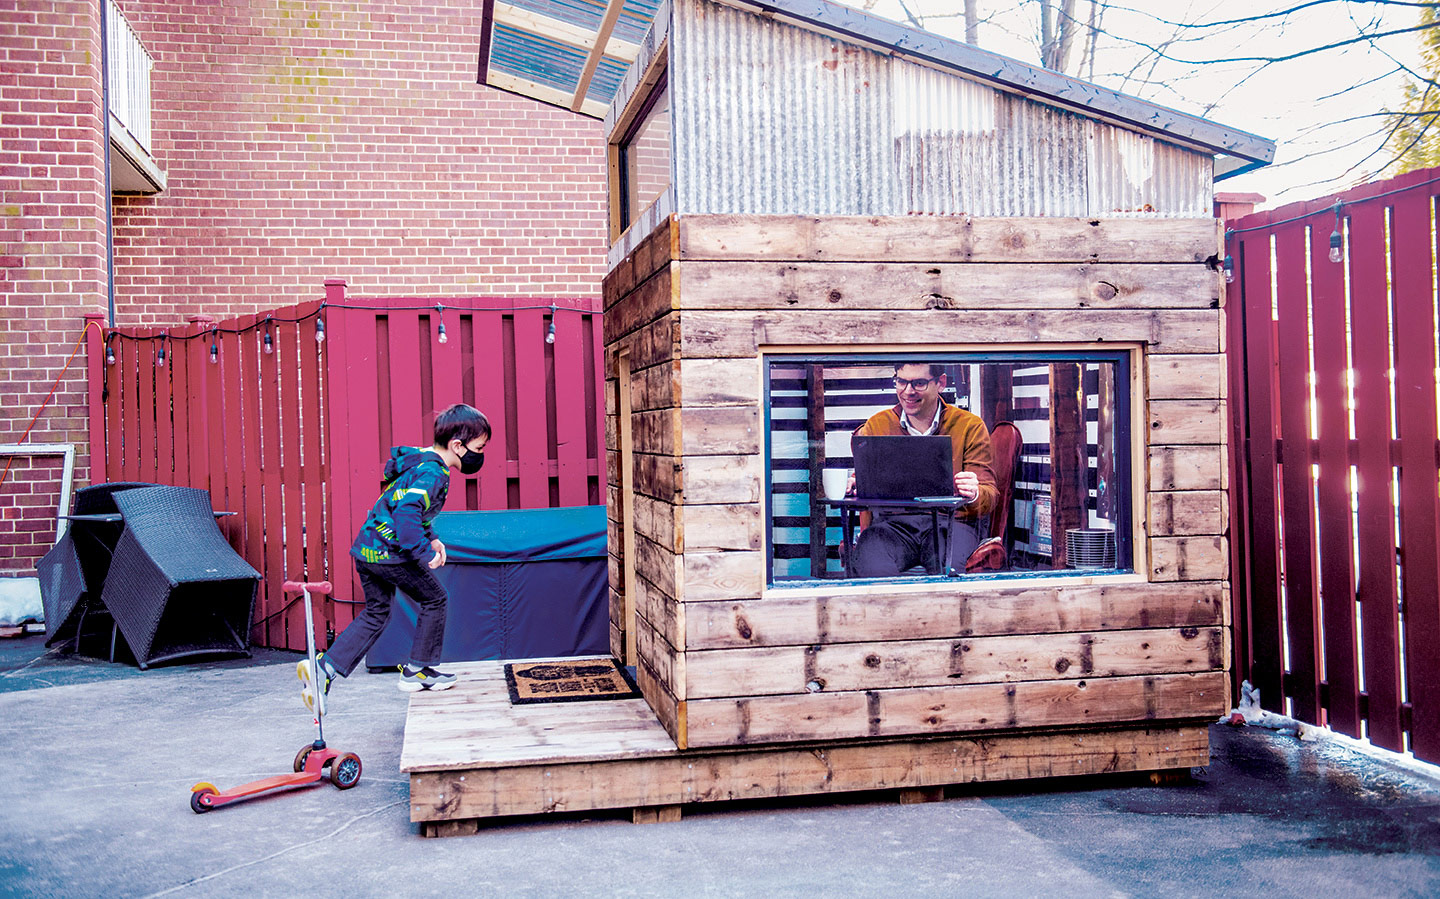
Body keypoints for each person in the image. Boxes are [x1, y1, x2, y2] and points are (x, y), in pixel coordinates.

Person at [298, 403, 490, 711]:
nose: (479, 455)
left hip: (368, 550)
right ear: (458, 445)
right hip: (390, 554)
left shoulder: (421, 464)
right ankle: (419, 669)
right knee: (435, 599)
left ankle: (325, 668)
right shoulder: (433, 474)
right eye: (478, 448)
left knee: (377, 612)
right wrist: (423, 552)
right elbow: (406, 513)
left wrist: (433, 538)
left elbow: (405, 505)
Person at [847, 363, 996, 577]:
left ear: (941, 383)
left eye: (919, 383)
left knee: (947, 568)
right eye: (901, 381)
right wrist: (857, 485)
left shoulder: (970, 426)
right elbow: (864, 486)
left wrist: (975, 493)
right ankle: (891, 611)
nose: (908, 391)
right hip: (893, 527)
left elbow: (989, 497)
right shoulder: (877, 425)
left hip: (952, 524)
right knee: (871, 559)